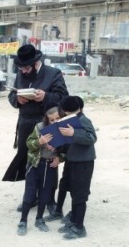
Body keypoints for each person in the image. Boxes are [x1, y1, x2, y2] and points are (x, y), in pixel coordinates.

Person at [2, 44, 69, 211]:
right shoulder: (21, 72)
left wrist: (46, 96)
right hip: (25, 123)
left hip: (47, 123)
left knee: (49, 158)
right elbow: (12, 94)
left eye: (25, 68)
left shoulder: (54, 73)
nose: (23, 71)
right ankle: (31, 197)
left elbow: (63, 98)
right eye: (21, 68)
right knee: (28, 160)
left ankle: (49, 200)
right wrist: (18, 100)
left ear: (35, 63)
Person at [45, 96, 97, 240]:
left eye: (65, 111)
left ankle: (79, 227)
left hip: (83, 162)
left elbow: (92, 138)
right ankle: (73, 221)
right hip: (72, 160)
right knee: (70, 189)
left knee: (79, 195)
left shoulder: (83, 120)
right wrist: (56, 144)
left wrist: (74, 133)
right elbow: (69, 143)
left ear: (67, 110)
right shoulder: (71, 120)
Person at [17, 107, 65, 236]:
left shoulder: (66, 129)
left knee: (45, 193)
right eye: (51, 120)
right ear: (47, 120)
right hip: (35, 164)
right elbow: (28, 143)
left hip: (50, 166)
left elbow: (68, 150)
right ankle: (23, 221)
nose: (55, 122)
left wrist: (59, 158)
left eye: (57, 119)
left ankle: (39, 219)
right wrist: (40, 141)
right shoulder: (40, 127)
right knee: (29, 193)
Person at [44, 95, 85, 223]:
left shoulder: (81, 122)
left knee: (79, 190)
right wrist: (55, 149)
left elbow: (90, 138)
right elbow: (63, 145)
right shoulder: (62, 124)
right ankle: (58, 211)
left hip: (80, 162)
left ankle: (74, 215)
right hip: (69, 159)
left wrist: (73, 134)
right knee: (63, 185)